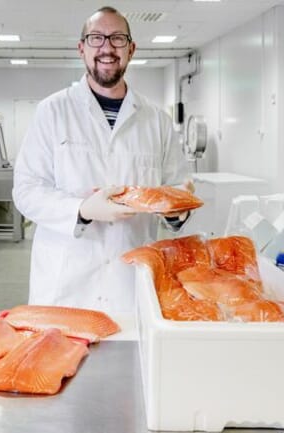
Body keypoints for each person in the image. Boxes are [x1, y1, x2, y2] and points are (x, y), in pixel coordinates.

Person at [12, 6, 191, 313]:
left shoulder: (157, 120)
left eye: (117, 38)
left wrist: (176, 211)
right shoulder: (52, 112)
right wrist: (80, 210)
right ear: (82, 48)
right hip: (65, 283)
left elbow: (174, 187)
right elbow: (26, 191)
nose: (107, 48)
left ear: (131, 49)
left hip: (130, 282)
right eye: (96, 38)